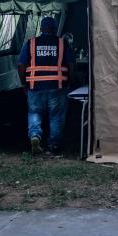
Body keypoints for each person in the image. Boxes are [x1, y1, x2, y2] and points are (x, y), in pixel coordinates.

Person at [17, 16, 74, 154]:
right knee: (56, 115)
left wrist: (24, 83)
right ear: (55, 29)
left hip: (35, 86)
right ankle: (53, 145)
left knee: (35, 112)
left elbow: (20, 65)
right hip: (58, 86)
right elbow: (71, 64)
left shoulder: (31, 43)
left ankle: (35, 136)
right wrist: (70, 81)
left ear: (41, 29)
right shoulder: (62, 43)